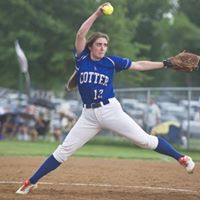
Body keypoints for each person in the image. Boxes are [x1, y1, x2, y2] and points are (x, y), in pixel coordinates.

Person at [16, 3, 195, 195]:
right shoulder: (82, 59)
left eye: (105, 45)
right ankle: (31, 181)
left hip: (110, 110)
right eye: (99, 44)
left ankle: (182, 158)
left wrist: (165, 64)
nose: (102, 48)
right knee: (63, 151)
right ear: (91, 46)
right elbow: (80, 35)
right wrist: (97, 13)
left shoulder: (111, 62)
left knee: (144, 141)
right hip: (89, 115)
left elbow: (139, 65)